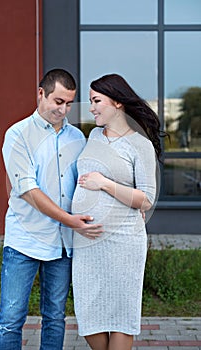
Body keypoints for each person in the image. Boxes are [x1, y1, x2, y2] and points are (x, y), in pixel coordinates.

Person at [0, 68, 103, 350]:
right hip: (24, 241)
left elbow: (89, 180)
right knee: (11, 319)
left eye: (69, 103)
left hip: (63, 246)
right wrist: (70, 220)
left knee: (55, 318)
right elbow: (29, 192)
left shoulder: (77, 137)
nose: (63, 109)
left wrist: (133, 201)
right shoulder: (17, 135)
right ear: (40, 93)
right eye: (58, 102)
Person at [72, 73, 162, 350]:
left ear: (118, 103)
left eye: (96, 100)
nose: (91, 107)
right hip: (88, 243)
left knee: (121, 315)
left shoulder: (140, 145)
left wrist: (105, 184)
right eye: (90, 101)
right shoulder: (95, 135)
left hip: (123, 242)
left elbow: (146, 199)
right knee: (88, 313)